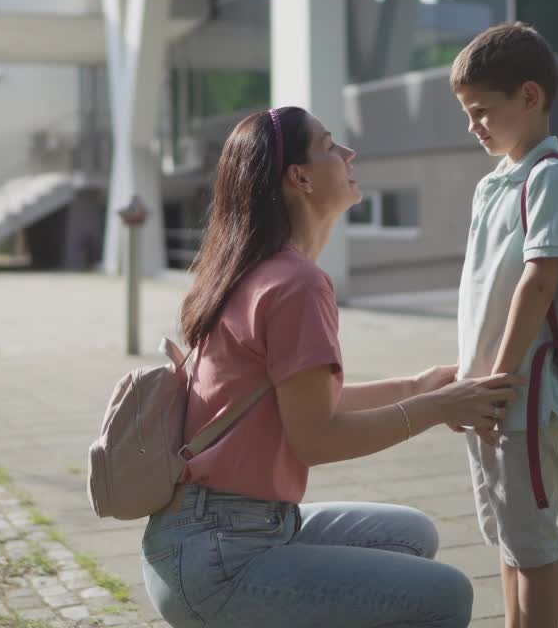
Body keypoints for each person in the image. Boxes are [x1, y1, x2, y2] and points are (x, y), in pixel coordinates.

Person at [140, 106, 521, 628]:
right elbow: (317, 438)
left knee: (410, 535)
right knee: (447, 594)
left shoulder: (253, 269)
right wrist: (434, 408)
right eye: (329, 146)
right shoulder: (296, 283)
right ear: (299, 178)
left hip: (208, 533)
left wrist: (417, 385)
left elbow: (304, 405)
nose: (348, 154)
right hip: (221, 559)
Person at [448, 22, 558, 628]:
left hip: (520, 396)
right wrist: (469, 384)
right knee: (507, 538)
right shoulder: (492, 184)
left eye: (483, 111)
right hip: (487, 395)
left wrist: (499, 379)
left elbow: (540, 281)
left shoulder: (550, 179)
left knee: (533, 547)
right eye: (468, 113)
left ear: (530, 97)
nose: (473, 126)